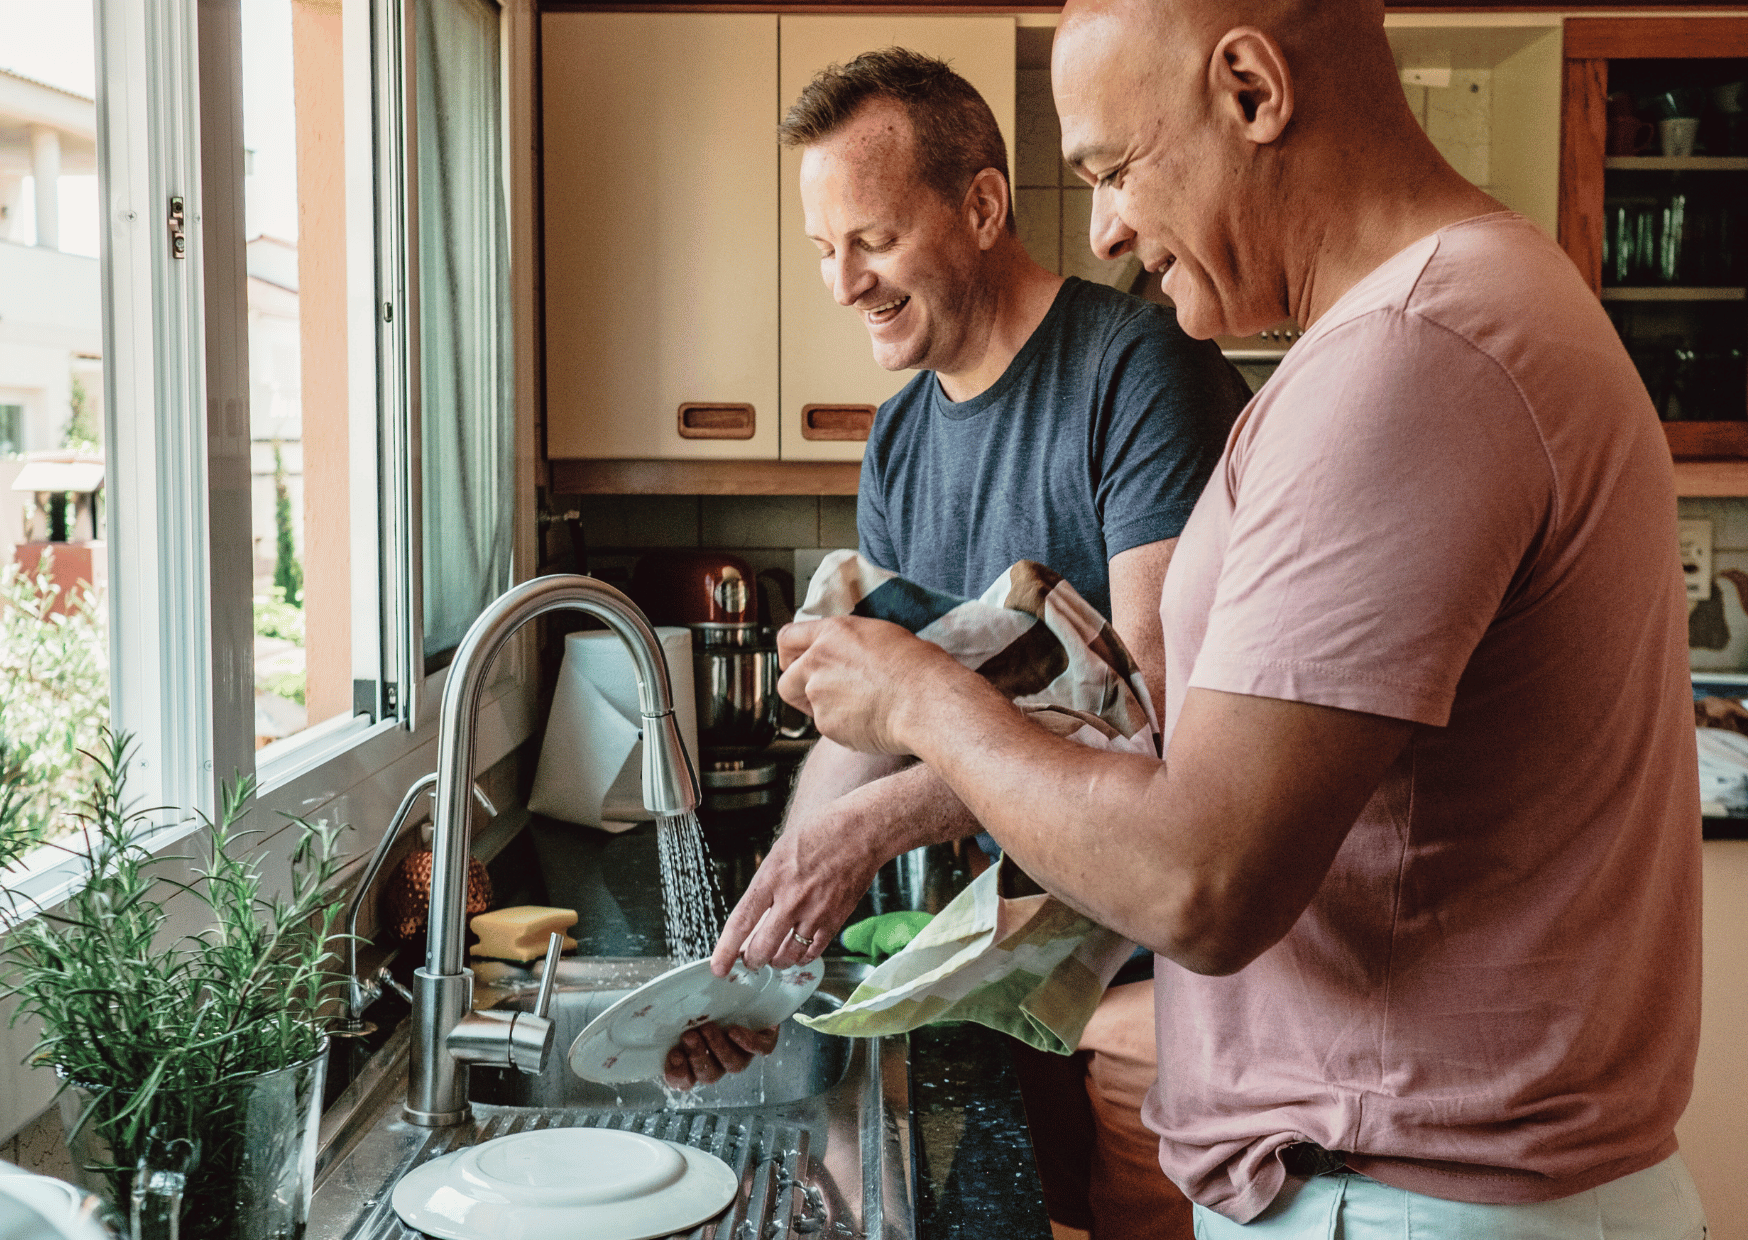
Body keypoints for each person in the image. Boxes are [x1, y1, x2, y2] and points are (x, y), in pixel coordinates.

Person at [765, 2, 1707, 1238]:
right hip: (1396, 1182)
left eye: (1112, 168)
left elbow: (1201, 876)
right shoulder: (1420, 324)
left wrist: (923, 699)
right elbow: (1201, 759)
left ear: (1253, 90)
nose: (1102, 223)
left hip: (1409, 1194)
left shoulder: (1410, 356)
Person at [665, 46, 1248, 1240]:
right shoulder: (898, 440)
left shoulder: (1138, 371)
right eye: (823, 250)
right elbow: (868, 725)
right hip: (1001, 979)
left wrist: (867, 833)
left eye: (869, 240)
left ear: (981, 207)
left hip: (1158, 1003)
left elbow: (1151, 714)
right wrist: (777, 927)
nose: (842, 284)